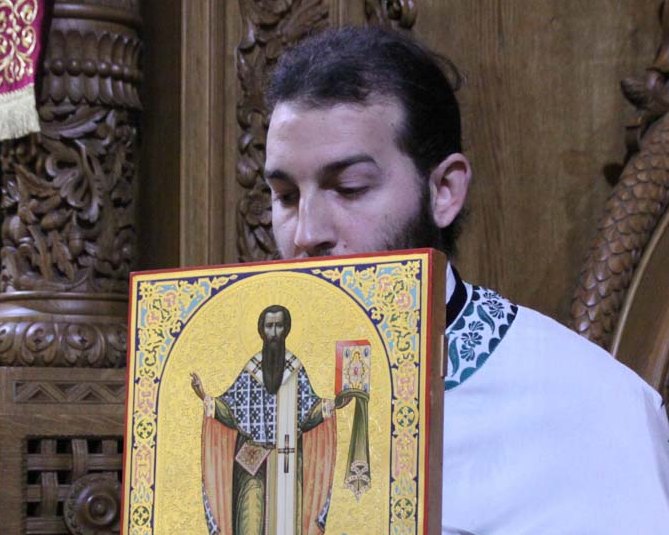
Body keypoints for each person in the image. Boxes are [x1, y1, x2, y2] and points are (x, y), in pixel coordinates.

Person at [262, 26, 669, 533]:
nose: (306, 234)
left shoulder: (589, 406)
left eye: (349, 187)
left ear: (443, 192)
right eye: (286, 197)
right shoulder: (244, 384)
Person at [191, 305, 348, 535]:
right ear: (261, 330)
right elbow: (231, 411)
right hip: (252, 459)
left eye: (279, 326)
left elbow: (308, 414)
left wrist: (333, 405)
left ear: (286, 330)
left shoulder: (295, 370)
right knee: (250, 517)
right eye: (269, 326)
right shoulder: (251, 371)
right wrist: (205, 397)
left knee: (287, 518)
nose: (274, 333)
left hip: (288, 458)